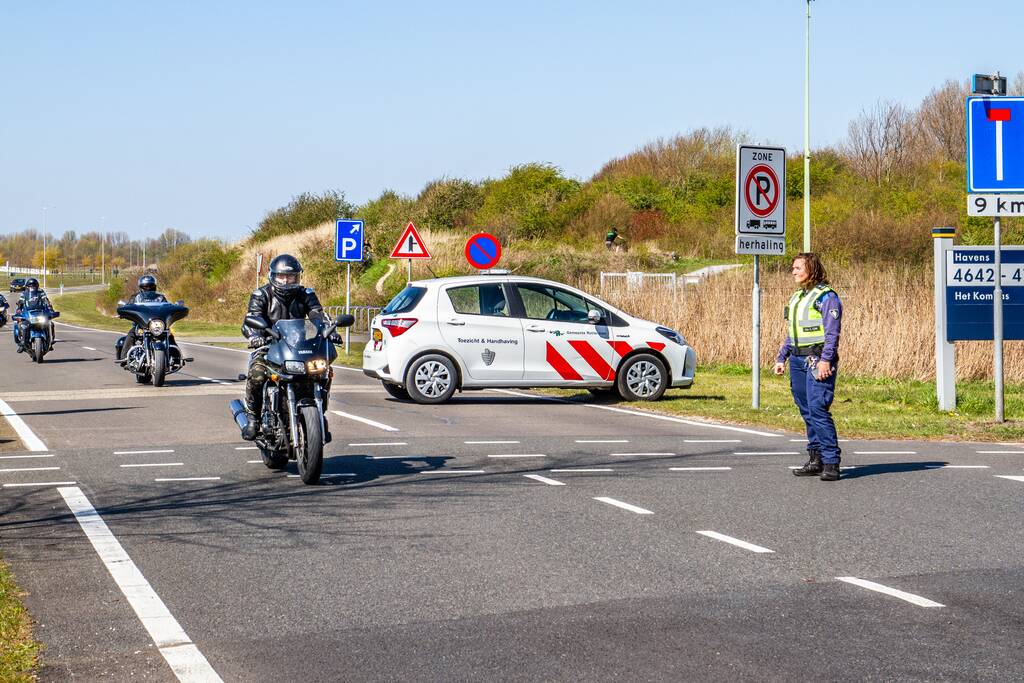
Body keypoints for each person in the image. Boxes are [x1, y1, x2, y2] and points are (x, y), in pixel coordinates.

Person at [239, 254, 331, 441]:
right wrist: (255, 335)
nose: (286, 280)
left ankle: (319, 415)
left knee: (324, 372)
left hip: (298, 346)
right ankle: (253, 418)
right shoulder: (261, 295)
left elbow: (317, 314)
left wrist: (328, 330)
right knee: (257, 374)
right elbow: (251, 318)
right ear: (273, 276)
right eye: (282, 276)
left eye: (291, 277)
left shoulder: (306, 294)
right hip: (269, 345)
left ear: (297, 277)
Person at [773, 253, 844, 481]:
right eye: (792, 268)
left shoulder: (826, 297)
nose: (793, 271)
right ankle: (816, 459)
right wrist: (781, 358)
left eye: (797, 268)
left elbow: (832, 334)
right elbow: (792, 333)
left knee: (818, 408)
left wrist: (826, 360)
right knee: (806, 409)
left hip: (816, 359)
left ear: (811, 269)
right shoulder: (797, 297)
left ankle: (831, 462)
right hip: (797, 360)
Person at [119, 275, 170, 360]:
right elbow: (129, 307)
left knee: (169, 335)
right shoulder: (135, 298)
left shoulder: (160, 298)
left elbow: (167, 307)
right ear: (141, 287)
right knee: (131, 335)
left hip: (157, 325)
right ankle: (124, 358)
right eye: (146, 287)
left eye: (150, 286)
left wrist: (172, 312)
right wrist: (124, 312)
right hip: (141, 325)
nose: (148, 288)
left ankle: (176, 357)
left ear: (154, 286)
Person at [13, 278, 55, 352]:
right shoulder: (24, 293)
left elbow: (46, 300)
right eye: (30, 286)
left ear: (37, 286)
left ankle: (50, 342)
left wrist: (50, 309)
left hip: (40, 312)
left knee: (50, 324)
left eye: (33, 286)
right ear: (27, 286)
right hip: (28, 313)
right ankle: (23, 344)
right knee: (24, 325)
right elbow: (21, 302)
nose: (32, 287)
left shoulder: (41, 292)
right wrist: (19, 308)